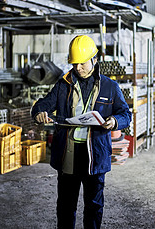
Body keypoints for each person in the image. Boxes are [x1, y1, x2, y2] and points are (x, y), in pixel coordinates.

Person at [31, 35, 132, 229]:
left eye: (82, 63)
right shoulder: (63, 85)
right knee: (66, 206)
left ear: (94, 59)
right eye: (74, 63)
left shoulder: (110, 87)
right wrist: (39, 113)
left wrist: (114, 121)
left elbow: (125, 115)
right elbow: (44, 103)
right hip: (68, 154)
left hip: (95, 155)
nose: (78, 67)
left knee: (93, 206)